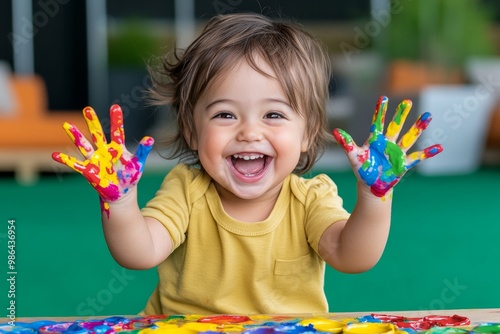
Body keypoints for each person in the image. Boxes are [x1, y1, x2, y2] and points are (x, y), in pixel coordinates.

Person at [52, 13, 442, 315]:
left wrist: (374, 197)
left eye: (273, 115)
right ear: (190, 129)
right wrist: (119, 202)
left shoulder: (310, 198)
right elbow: (139, 253)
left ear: (307, 134)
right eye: (225, 115)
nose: (249, 132)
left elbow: (352, 256)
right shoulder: (186, 190)